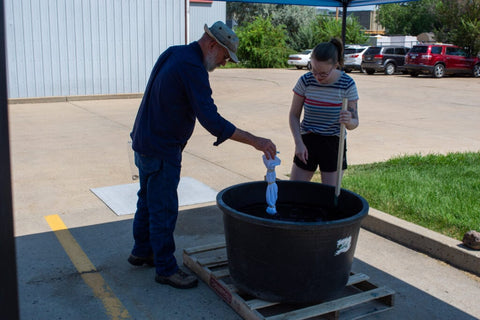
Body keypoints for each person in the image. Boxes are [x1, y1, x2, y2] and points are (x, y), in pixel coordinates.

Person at [128, 21, 277, 289]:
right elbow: (211, 119)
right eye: (225, 56)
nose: (225, 63)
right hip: (162, 147)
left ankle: (142, 251)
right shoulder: (193, 67)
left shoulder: (174, 52)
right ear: (212, 45)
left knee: (147, 200)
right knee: (163, 207)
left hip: (143, 140)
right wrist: (255, 140)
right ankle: (165, 268)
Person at [289, 38, 359, 186]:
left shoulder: (347, 84)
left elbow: (354, 123)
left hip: (333, 142)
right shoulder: (306, 81)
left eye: (323, 73)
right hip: (307, 139)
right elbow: (294, 115)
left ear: (336, 65)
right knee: (295, 190)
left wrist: (348, 121)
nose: (317, 77)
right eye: (313, 70)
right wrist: (299, 143)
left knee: (329, 195)